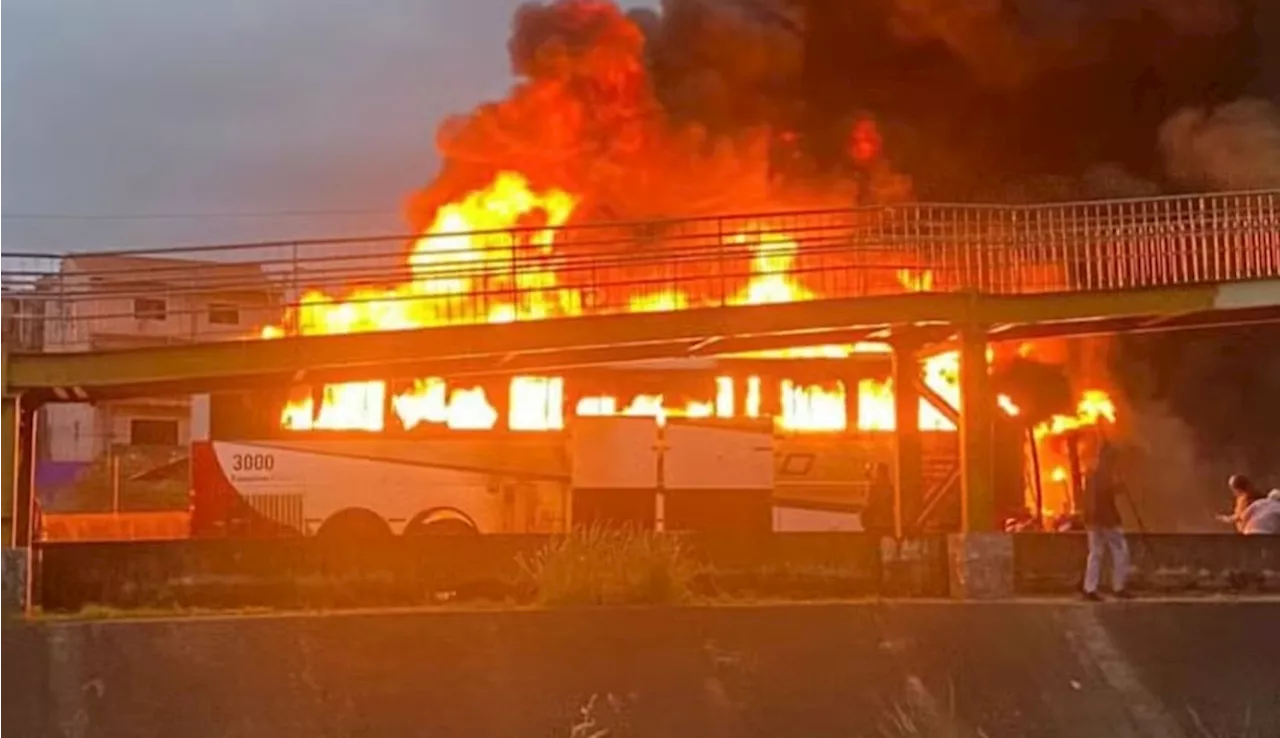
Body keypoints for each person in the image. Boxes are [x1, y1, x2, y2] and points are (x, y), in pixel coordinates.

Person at [1080, 427, 1130, 601]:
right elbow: (1104, 493)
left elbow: (1094, 495)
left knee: (1095, 552)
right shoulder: (1103, 473)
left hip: (1092, 519)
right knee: (1120, 550)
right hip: (1105, 518)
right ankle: (1118, 587)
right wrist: (1119, 488)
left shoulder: (1092, 472)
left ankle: (1090, 588)